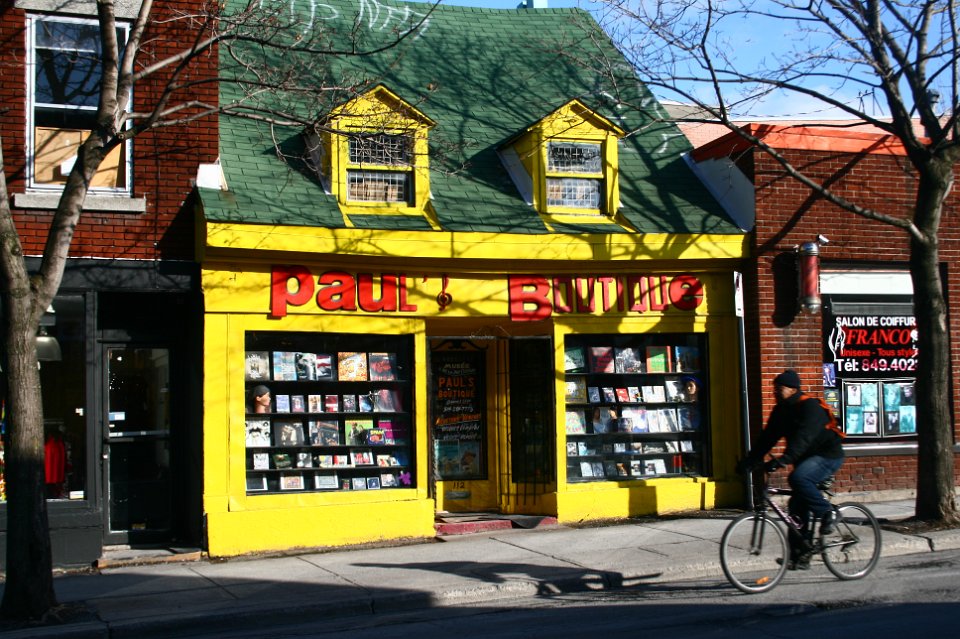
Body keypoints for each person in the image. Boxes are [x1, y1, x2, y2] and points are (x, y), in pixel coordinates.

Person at [736, 369, 845, 570]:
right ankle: (800, 556)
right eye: (774, 389)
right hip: (805, 459)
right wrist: (750, 461)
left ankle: (828, 513)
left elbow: (803, 439)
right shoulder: (781, 411)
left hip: (827, 456)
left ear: (793, 389)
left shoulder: (810, 407)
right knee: (795, 507)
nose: (775, 393)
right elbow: (767, 438)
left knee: (799, 478)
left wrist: (784, 460)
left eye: (779, 389)